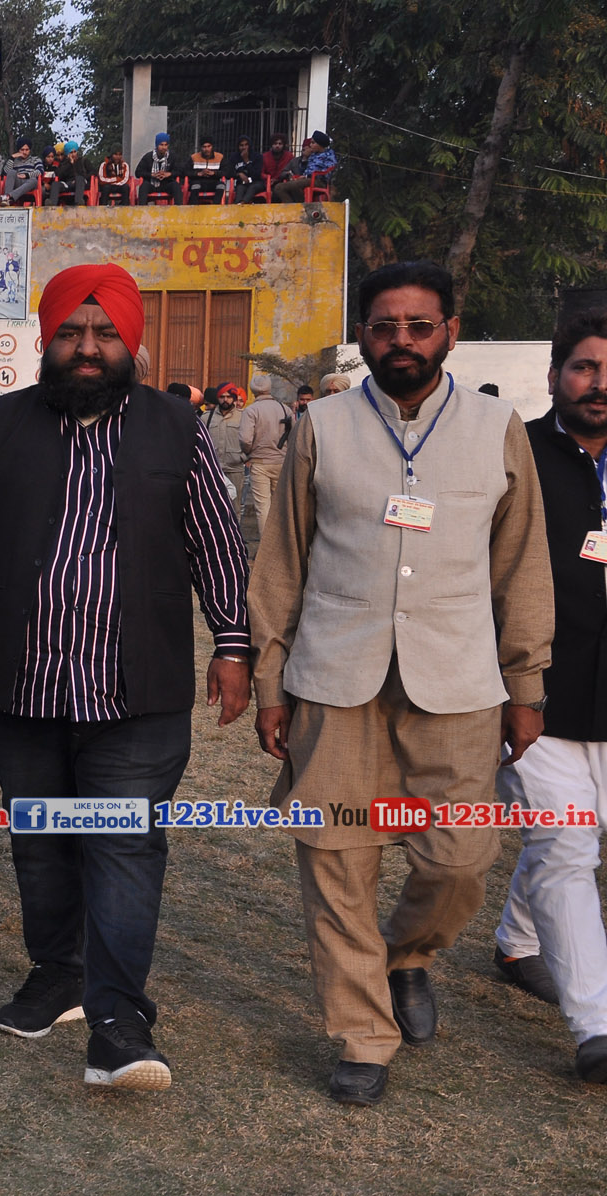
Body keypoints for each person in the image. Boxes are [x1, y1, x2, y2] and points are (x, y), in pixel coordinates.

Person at [0, 262, 251, 1092]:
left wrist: (233, 646)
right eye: (71, 332)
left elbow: (217, 544)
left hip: (137, 691)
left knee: (123, 845)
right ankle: (58, 972)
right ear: (45, 341)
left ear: (132, 343)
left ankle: (119, 1022)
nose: (88, 347)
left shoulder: (177, 427)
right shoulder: (4, 423)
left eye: (104, 333)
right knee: (44, 842)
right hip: (25, 686)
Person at [249, 260, 553, 1106]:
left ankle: (408, 956)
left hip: (459, 683)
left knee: (460, 858)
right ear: (364, 335)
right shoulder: (323, 425)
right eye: (384, 327)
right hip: (334, 678)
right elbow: (282, 561)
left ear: (450, 331)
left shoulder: (497, 427)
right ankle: (362, 1033)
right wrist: (271, 682)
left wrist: (526, 683)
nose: (402, 341)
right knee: (335, 859)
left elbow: (522, 564)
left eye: (420, 326)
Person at [489, 309, 607, 1083]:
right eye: (585, 367)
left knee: (576, 832)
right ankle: (598, 1026)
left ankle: (518, 941)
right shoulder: (517, 454)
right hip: (534, 694)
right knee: (567, 844)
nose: (599, 384)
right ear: (555, 373)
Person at [239, 374, 292, 535]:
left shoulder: (251, 410)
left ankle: (266, 544)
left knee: (263, 507)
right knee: (280, 505)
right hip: (282, 462)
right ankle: (281, 542)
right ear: (269, 388)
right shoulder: (284, 408)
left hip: (260, 462)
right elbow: (293, 434)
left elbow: (245, 439)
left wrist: (248, 452)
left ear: (252, 390)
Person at [200, 382, 248, 503]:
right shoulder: (207, 417)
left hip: (235, 469)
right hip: (213, 470)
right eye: (222, 396)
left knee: (234, 507)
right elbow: (200, 441)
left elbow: (251, 440)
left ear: (234, 398)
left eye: (229, 397)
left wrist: (242, 457)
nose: (225, 400)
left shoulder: (244, 417)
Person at [272, 132, 337, 203]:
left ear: (320, 144)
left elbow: (328, 172)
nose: (310, 145)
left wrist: (309, 176)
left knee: (281, 187)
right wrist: (303, 176)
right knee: (281, 188)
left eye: (313, 143)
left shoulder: (329, 156)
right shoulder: (313, 155)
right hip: (307, 180)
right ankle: (297, 205)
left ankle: (295, 205)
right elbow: (307, 169)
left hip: (319, 182)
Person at [135, 133, 179, 204]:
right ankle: (142, 208)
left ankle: (179, 209)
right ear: (157, 145)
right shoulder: (148, 157)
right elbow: (138, 172)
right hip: (151, 184)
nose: (164, 147)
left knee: (175, 185)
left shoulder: (172, 157)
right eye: (161, 145)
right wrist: (152, 175)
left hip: (166, 184)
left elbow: (180, 171)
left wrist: (168, 174)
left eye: (166, 145)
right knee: (144, 186)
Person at [187, 137, 224, 203]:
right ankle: (193, 207)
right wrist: (198, 173)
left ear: (212, 146)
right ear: (201, 148)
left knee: (221, 185)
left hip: (213, 182)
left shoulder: (220, 157)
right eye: (204, 147)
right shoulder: (194, 157)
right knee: (195, 185)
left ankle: (215, 207)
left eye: (209, 146)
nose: (206, 149)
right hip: (198, 181)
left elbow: (227, 172)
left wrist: (214, 173)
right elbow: (185, 171)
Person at [228, 136, 262, 203]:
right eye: (241, 145)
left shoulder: (257, 156)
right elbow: (229, 172)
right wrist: (239, 174)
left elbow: (257, 174)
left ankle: (243, 203)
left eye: (246, 145)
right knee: (240, 188)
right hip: (242, 183)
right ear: (238, 146)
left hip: (256, 182)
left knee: (252, 187)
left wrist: (246, 160)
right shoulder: (234, 157)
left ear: (249, 145)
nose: (244, 147)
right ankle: (238, 205)